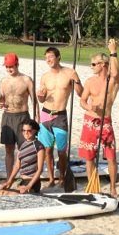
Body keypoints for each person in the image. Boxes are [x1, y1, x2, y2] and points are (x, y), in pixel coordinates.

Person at [78, 38, 119, 197]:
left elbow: (116, 72)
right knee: (89, 157)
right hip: (90, 121)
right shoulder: (90, 81)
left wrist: (113, 51)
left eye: (94, 64)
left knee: (111, 156)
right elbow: (82, 100)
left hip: (106, 122)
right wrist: (89, 106)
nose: (91, 67)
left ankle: (112, 187)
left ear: (103, 64)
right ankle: (93, 187)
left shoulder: (113, 81)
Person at [36, 47, 83, 186]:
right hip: (45, 114)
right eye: (46, 58)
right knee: (47, 150)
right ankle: (51, 179)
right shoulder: (45, 76)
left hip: (60, 116)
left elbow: (80, 93)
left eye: (50, 57)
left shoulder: (70, 73)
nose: (48, 60)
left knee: (62, 152)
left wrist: (77, 81)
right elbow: (41, 99)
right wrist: (40, 97)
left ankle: (62, 177)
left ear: (58, 57)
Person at [0, 52, 35, 177]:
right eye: (7, 67)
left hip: (22, 116)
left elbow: (34, 100)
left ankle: (25, 176)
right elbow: (2, 99)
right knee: (9, 149)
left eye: (11, 66)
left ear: (17, 64)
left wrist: (36, 118)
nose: (9, 69)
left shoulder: (26, 80)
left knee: (25, 148)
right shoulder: (3, 81)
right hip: (8, 116)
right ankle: (10, 177)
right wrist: (0, 103)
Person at [0, 119, 45, 194]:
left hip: (33, 182)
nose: (26, 133)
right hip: (22, 180)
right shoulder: (22, 145)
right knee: (4, 192)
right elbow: (17, 166)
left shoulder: (39, 146)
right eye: (23, 130)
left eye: (29, 131)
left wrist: (29, 186)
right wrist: (9, 181)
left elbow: (40, 170)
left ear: (35, 131)